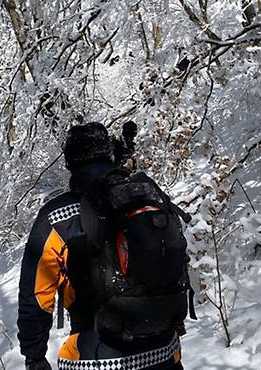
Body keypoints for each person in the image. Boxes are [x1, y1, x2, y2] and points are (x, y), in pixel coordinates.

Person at [17, 122, 190, 370]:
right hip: (164, 352)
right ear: (108, 155)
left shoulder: (56, 218)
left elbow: (35, 297)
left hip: (96, 357)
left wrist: (34, 356)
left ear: (70, 163)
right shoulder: (144, 198)